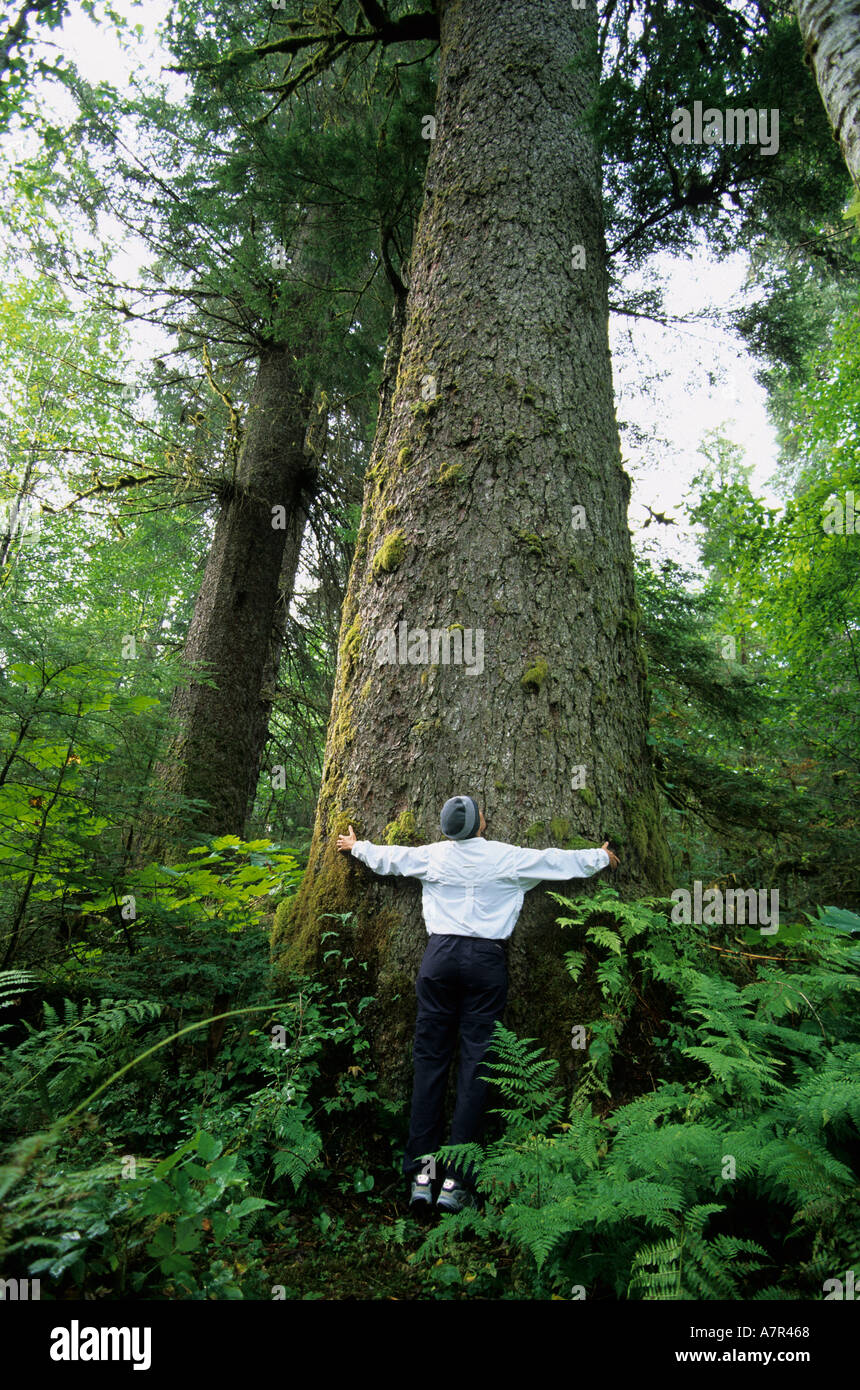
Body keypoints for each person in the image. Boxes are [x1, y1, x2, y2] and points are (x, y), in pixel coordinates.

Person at [336, 795, 620, 1214]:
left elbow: (392, 858)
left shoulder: (433, 856)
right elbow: (556, 863)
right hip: (485, 962)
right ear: (479, 825)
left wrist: (357, 847)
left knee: (430, 1060)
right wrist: (600, 856)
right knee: (476, 1063)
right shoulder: (506, 857)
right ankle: (455, 1181)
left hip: (439, 959)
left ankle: (421, 1176)